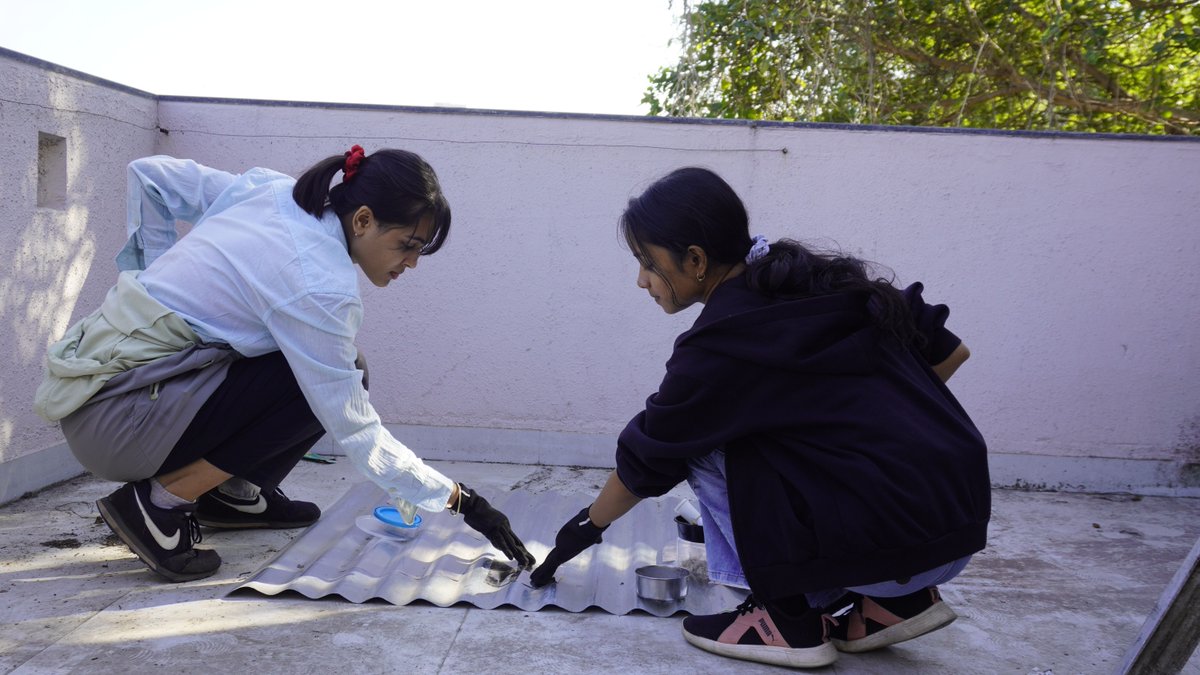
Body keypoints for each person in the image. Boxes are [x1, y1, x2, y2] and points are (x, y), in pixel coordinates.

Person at [529, 167, 990, 669]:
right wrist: (876, 428)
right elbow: (952, 350)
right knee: (776, 441)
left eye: (647, 263)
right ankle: (895, 605)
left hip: (892, 551)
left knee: (709, 446)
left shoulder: (722, 346)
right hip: (957, 530)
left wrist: (585, 527)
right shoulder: (821, 280)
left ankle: (786, 618)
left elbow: (650, 456)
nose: (641, 280)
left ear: (696, 260)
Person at [34, 146, 534, 583]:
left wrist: (147, 286)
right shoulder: (319, 285)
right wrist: (461, 500)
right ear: (363, 220)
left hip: (107, 393)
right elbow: (356, 428)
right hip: (120, 422)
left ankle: (230, 495)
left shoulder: (272, 192)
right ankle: (160, 503)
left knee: (339, 366)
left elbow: (151, 174)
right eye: (407, 245)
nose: (412, 263)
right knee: (317, 384)